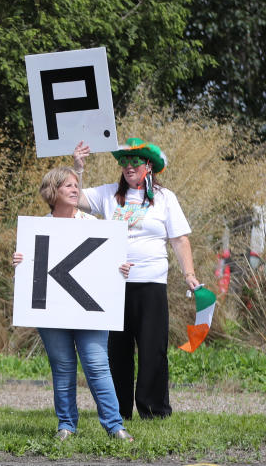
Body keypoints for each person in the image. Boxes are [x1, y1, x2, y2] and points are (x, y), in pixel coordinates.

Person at [73, 138, 199, 420]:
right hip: (114, 284)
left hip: (151, 283)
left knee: (153, 348)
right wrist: (78, 167)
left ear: (148, 166)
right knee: (117, 351)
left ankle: (153, 410)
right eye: (124, 163)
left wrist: (189, 274)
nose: (128, 167)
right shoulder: (108, 194)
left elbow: (179, 239)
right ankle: (118, 411)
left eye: (135, 162)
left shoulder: (166, 199)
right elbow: (74, 199)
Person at [12, 166, 134, 442]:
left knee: (97, 364)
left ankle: (115, 426)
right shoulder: (38, 228)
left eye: (76, 185)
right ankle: (66, 425)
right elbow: (32, 268)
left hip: (88, 310)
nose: (75, 189)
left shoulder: (94, 225)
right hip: (53, 310)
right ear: (52, 191)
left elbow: (108, 264)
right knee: (63, 366)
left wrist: (121, 269)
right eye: (68, 185)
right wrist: (21, 262)